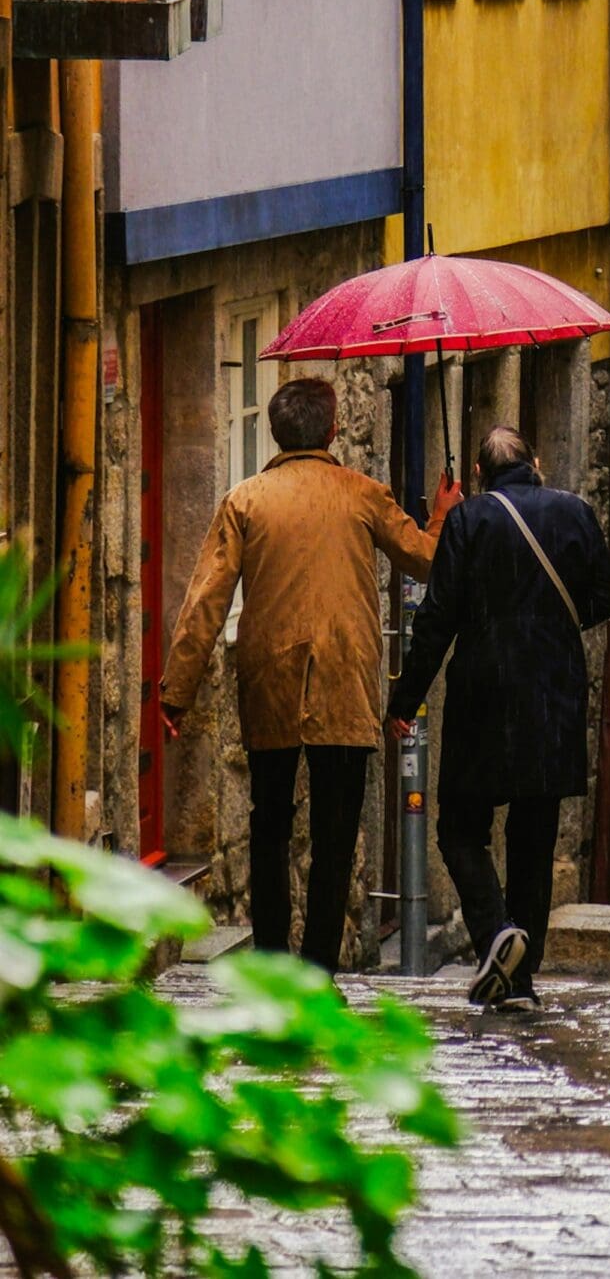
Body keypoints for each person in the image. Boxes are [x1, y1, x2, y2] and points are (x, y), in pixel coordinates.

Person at [160, 374, 461, 974]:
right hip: (344, 679)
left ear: (277, 432)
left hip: (269, 678)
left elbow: (205, 601)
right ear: (332, 429)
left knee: (269, 825)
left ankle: (272, 966)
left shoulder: (245, 500)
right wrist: (443, 517)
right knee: (335, 831)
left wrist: (178, 690)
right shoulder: (362, 493)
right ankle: (319, 968)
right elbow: (428, 562)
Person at [386, 424, 610, 1012]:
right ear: (535, 462)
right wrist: (555, 626)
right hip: (552, 693)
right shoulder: (574, 512)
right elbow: (608, 593)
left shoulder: (468, 521)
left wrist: (405, 699)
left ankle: (496, 934)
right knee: (533, 837)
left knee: (460, 828)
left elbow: (437, 619)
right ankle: (521, 979)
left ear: (477, 473)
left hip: (483, 695)